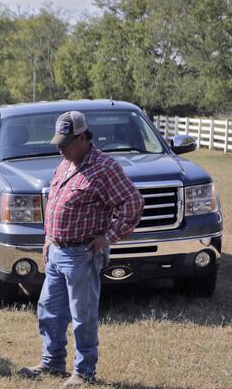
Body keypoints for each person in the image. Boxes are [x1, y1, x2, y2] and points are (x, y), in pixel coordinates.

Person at [18, 111, 144, 387]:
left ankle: (84, 372)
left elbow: (133, 203)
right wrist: (49, 238)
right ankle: (52, 362)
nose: (59, 147)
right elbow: (55, 204)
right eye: (58, 142)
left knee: (82, 317)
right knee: (49, 309)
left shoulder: (104, 168)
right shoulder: (65, 163)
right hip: (57, 252)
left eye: (65, 142)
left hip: (81, 254)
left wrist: (108, 236)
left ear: (84, 138)